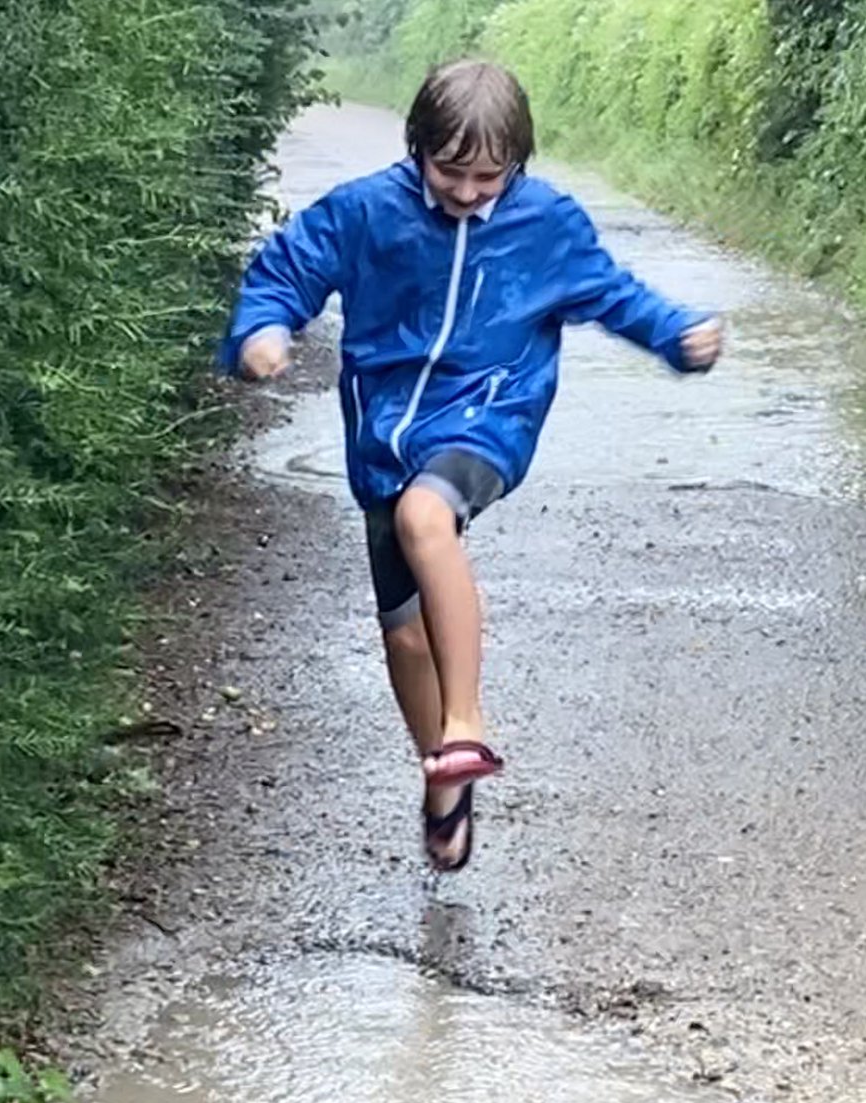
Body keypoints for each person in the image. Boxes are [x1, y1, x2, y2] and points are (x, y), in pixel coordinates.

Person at [219, 59, 722, 873]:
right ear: (417, 148)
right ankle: (445, 774)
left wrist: (677, 333)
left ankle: (466, 725)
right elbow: (287, 270)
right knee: (404, 638)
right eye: (451, 170)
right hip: (383, 433)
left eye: (489, 176)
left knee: (428, 515)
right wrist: (263, 332)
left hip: (493, 411)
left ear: (517, 164)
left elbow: (611, 293)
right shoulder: (366, 212)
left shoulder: (545, 222)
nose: (467, 191)